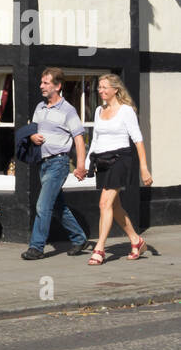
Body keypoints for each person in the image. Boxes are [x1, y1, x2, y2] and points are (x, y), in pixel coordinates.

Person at [21, 68, 89, 260]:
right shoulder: (39, 108)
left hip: (58, 163)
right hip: (42, 164)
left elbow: (78, 138)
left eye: (46, 83)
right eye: (41, 82)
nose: (41, 86)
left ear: (57, 86)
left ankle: (36, 247)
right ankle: (79, 238)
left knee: (43, 206)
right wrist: (32, 135)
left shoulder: (68, 110)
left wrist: (80, 165)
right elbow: (32, 129)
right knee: (58, 206)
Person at [86, 73, 153, 265]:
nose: (101, 90)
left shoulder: (126, 111)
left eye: (105, 87)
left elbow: (138, 140)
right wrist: (87, 164)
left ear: (116, 89)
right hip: (103, 160)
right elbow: (96, 138)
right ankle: (136, 240)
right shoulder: (99, 110)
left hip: (121, 159)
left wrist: (144, 168)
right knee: (114, 206)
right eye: (99, 87)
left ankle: (99, 249)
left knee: (104, 203)